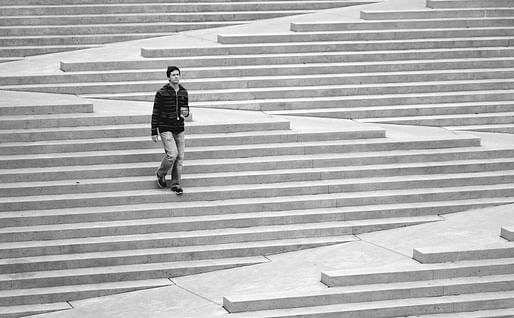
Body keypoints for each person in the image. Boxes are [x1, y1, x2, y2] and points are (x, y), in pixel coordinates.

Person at [151, 66, 189, 195]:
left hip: (179, 128)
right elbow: (155, 112)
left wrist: (186, 113)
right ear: (168, 77)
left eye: (178, 74)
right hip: (165, 127)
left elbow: (185, 109)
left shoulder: (184, 92)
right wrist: (153, 131)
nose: (176, 77)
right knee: (172, 154)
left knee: (180, 158)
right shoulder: (161, 93)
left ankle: (176, 184)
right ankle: (160, 173)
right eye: (173, 75)